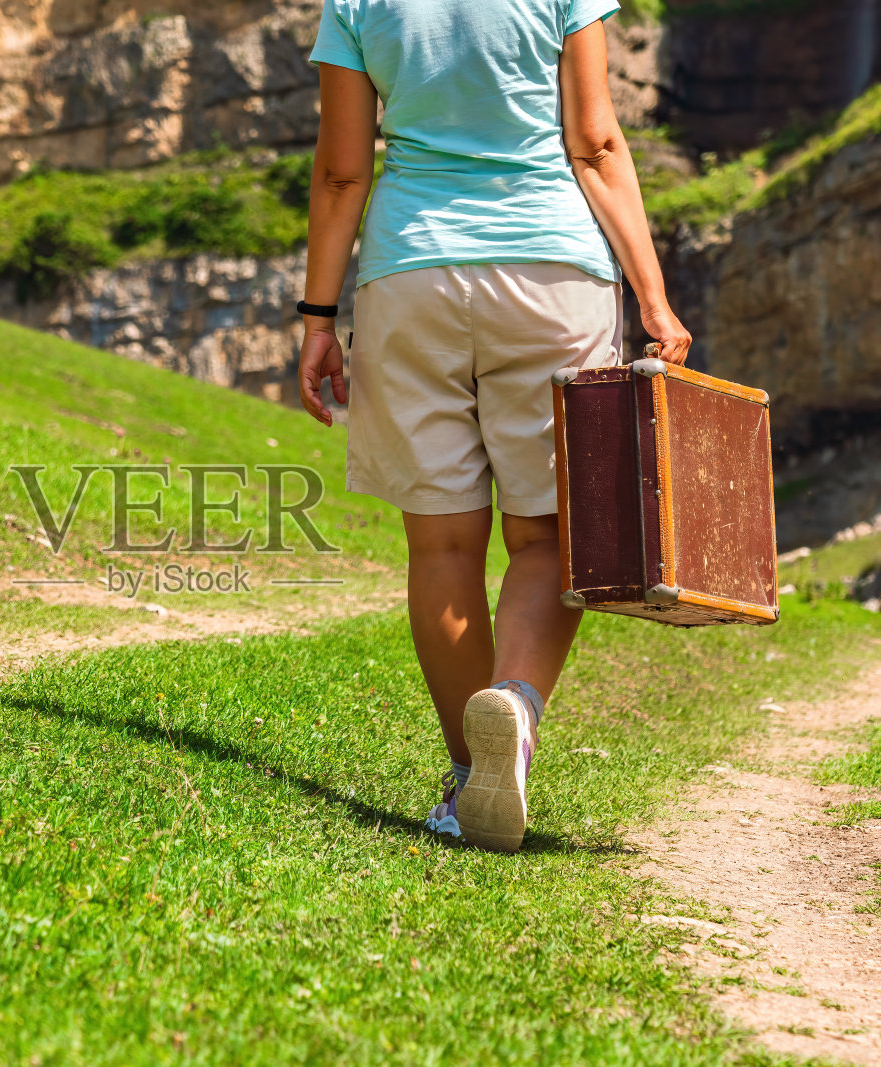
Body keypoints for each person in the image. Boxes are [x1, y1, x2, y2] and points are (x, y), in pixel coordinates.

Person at [298, 0, 692, 853]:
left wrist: (317, 319)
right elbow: (596, 143)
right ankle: (512, 709)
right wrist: (655, 295)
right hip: (551, 274)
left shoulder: (355, 4)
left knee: (441, 549)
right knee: (550, 537)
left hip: (411, 275)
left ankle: (469, 776)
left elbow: (340, 173)